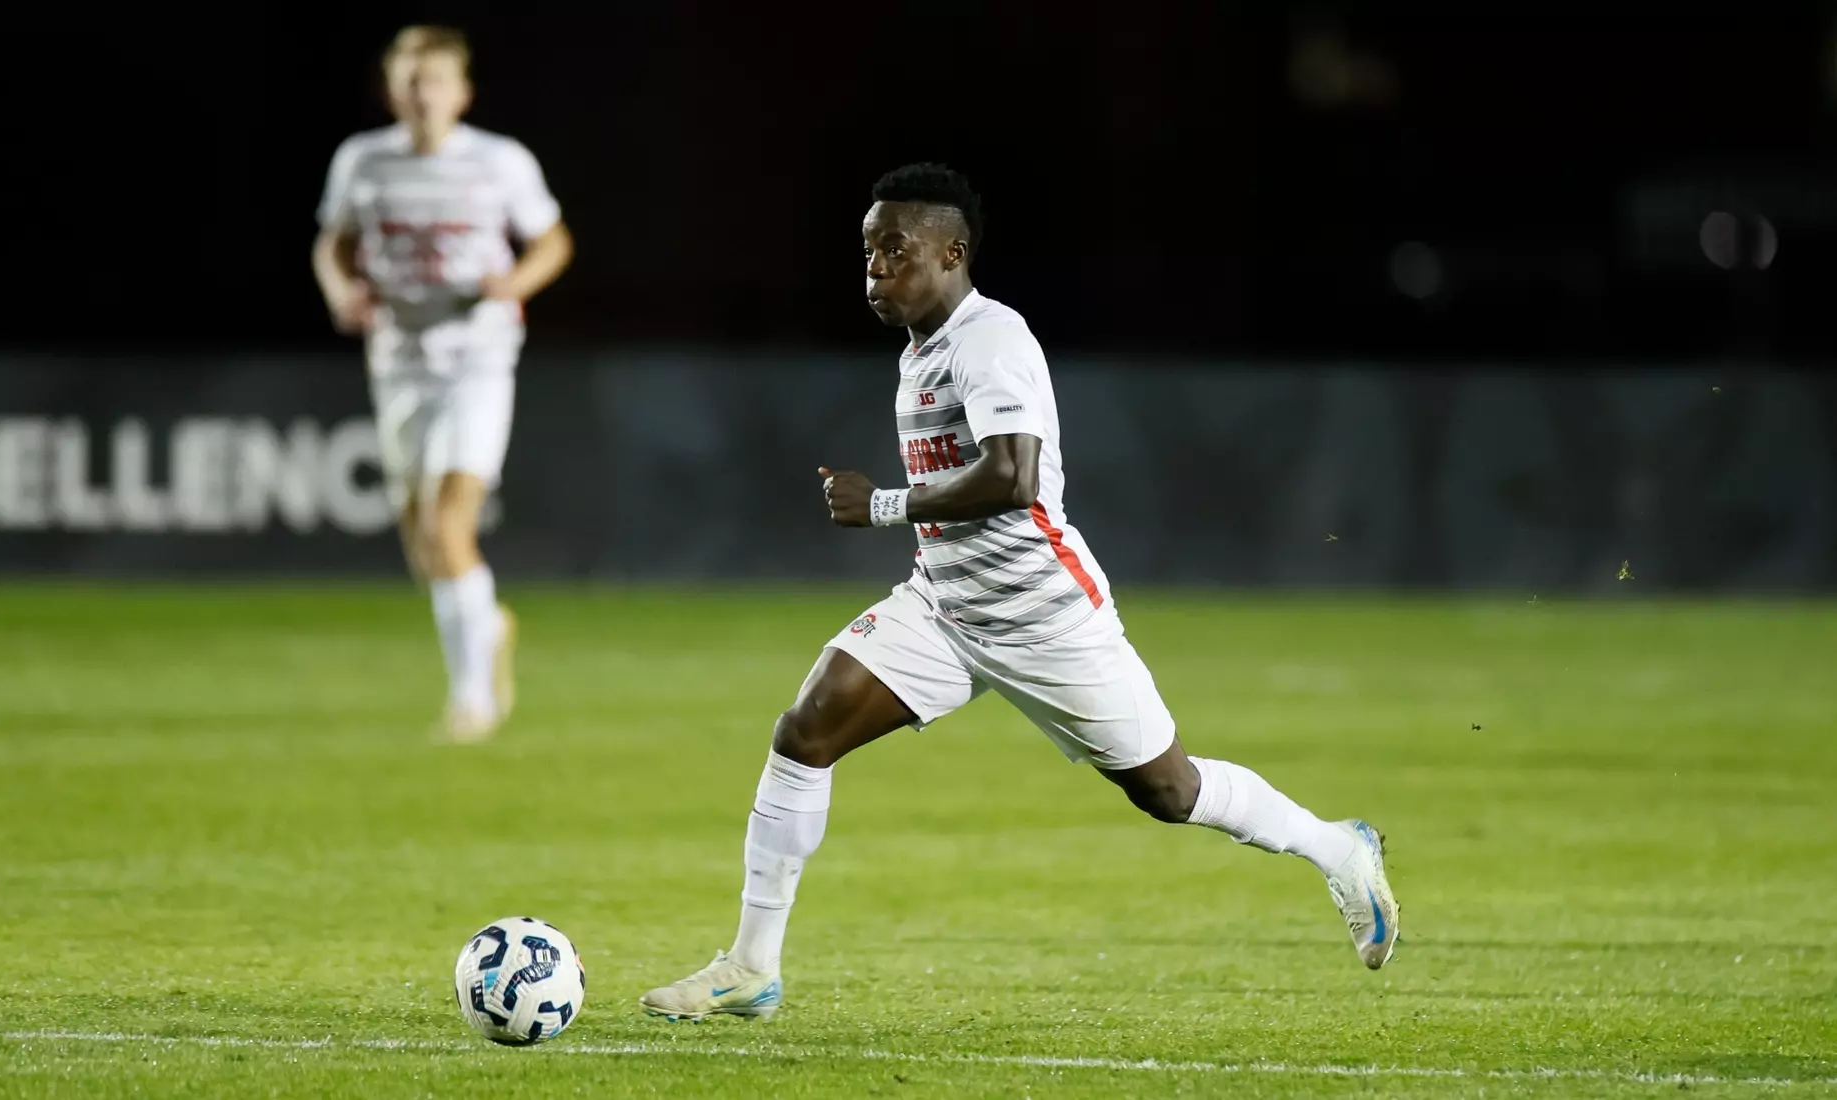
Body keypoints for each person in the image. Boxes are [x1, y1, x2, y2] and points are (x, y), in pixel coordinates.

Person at [638, 163, 1399, 1022]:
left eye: (895, 249)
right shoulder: (923, 350)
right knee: (806, 730)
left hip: (1043, 616)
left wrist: (883, 503)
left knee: (1170, 793)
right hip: (945, 606)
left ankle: (1339, 849)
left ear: (953, 252)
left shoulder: (991, 338)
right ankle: (750, 967)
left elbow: (1014, 475)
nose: (875, 269)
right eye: (866, 251)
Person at [311, 26, 573, 742]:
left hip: (477, 359)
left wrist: (509, 283)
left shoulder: (498, 161)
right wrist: (341, 290)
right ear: (392, 90)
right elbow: (333, 243)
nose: (423, 95)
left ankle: (472, 704)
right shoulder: (363, 161)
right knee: (421, 544)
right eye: (410, 81)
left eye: (435, 81)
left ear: (462, 91)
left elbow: (552, 241)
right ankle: (487, 625)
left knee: (448, 521)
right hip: (398, 361)